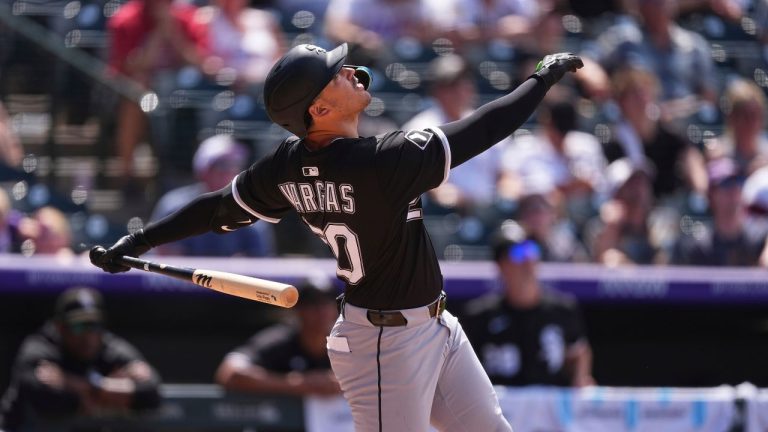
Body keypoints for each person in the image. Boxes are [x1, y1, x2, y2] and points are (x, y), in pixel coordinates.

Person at [90, 42, 583, 431]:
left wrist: (140, 241)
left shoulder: (289, 163)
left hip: (433, 324)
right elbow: (485, 127)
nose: (350, 71)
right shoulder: (380, 161)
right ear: (320, 109)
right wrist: (541, 78)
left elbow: (217, 209)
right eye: (336, 74)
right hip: (385, 340)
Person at [0, 287, 162, 431]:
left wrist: (81, 385)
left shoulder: (110, 348)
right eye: (79, 327)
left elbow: (151, 392)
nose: (89, 337)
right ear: (60, 327)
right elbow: (48, 400)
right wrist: (112, 396)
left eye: (94, 326)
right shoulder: (40, 348)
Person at [462, 220, 595, 387]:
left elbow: (578, 352)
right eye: (518, 253)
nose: (527, 260)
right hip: (498, 407)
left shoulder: (563, 309)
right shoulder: (480, 316)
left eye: (531, 250)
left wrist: (580, 378)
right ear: (501, 265)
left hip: (550, 406)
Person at [149, 134, 275, 257]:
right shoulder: (173, 206)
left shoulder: (252, 213)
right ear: (203, 170)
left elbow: (259, 264)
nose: (230, 171)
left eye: (236, 164)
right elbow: (165, 257)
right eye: (222, 165)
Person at [215, 278, 342, 396]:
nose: (322, 311)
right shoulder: (281, 340)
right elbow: (231, 373)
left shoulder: (342, 342)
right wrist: (297, 384)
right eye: (313, 303)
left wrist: (343, 383)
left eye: (327, 302)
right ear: (298, 310)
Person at [672, 157, 768, 266]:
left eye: (738, 182)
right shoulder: (695, 246)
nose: (733, 191)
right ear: (711, 195)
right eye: (726, 184)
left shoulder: (759, 239)